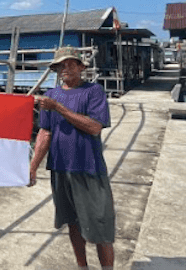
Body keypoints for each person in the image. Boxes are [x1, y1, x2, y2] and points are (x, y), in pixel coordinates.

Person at [29, 46, 115, 270]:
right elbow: (45, 133)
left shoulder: (93, 91)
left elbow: (95, 127)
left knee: (100, 226)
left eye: (69, 63)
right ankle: (82, 266)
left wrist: (59, 108)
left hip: (89, 168)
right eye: (60, 65)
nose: (64, 68)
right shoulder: (50, 96)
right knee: (72, 223)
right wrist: (33, 166)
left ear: (80, 67)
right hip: (60, 169)